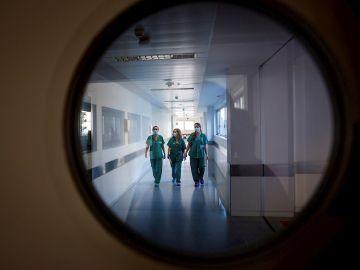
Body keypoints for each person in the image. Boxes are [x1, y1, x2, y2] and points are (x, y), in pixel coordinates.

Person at [184, 123, 208, 187]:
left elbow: (205, 146)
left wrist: (207, 154)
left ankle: (201, 177)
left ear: (200, 127)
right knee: (194, 169)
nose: (196, 128)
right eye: (195, 127)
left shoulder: (203, 136)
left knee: (202, 168)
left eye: (197, 126)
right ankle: (196, 181)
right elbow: (189, 145)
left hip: (201, 155)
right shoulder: (192, 135)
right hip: (193, 154)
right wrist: (186, 152)